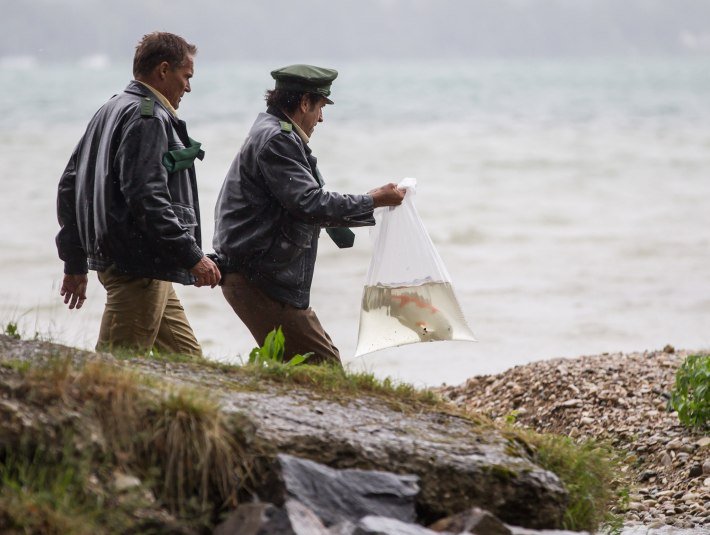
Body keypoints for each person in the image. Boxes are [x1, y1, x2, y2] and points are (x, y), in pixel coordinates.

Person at [213, 64, 405, 367]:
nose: (321, 118)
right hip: (260, 282)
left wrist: (369, 201)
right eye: (320, 107)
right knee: (324, 368)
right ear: (304, 103)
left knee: (298, 369)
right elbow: (311, 204)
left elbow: (306, 201)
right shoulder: (277, 140)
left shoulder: (274, 133)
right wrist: (374, 200)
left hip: (259, 278)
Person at [56, 31, 220, 357]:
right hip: (139, 268)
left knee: (189, 365)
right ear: (163, 70)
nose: (188, 87)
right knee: (115, 368)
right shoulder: (149, 117)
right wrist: (192, 256)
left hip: (138, 265)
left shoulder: (110, 109)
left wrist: (75, 262)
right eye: (185, 76)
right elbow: (148, 198)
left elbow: (68, 187)